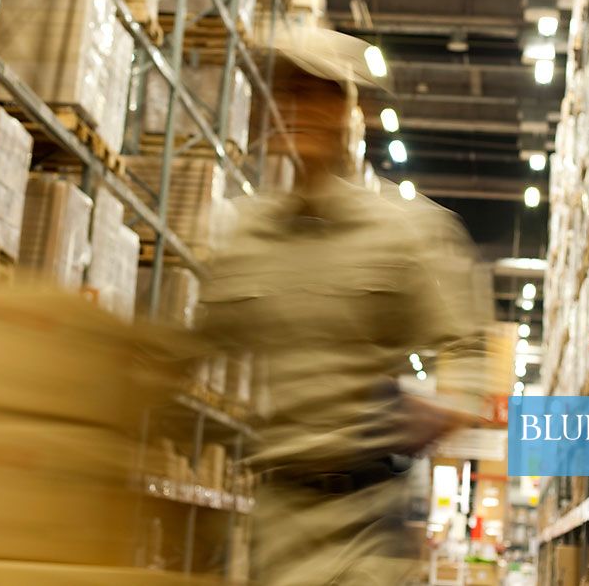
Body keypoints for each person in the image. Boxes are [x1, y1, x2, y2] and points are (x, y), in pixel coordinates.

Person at [200, 30, 488, 585]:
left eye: (319, 93)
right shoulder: (246, 236)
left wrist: (452, 402)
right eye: (289, 93)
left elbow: (469, 346)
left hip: (368, 514)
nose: (300, 109)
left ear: (351, 112)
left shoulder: (407, 233)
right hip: (278, 515)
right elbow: (196, 345)